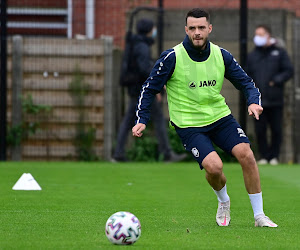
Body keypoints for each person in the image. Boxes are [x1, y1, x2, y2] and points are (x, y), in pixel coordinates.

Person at [132, 8, 278, 227]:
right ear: (186, 30)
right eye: (192, 28)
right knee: (214, 167)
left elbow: (246, 82)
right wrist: (142, 119)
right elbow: (149, 88)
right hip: (189, 125)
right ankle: (223, 201)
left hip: (220, 118)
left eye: (201, 27)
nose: (197, 32)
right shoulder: (172, 57)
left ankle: (259, 216)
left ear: (209, 28)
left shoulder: (222, 55)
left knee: (246, 154)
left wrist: (253, 101)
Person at [112, 18, 186, 163]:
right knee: (157, 118)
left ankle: (119, 153)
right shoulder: (142, 46)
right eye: (153, 29)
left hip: (137, 89)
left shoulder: (135, 43)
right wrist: (156, 88)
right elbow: (145, 69)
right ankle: (166, 153)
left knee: (129, 120)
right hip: (142, 90)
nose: (154, 32)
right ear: (148, 30)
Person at [246, 25, 293, 165]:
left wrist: (276, 81)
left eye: (260, 34)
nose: (257, 37)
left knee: (276, 129)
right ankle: (264, 156)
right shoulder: (252, 55)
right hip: (258, 101)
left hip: (275, 99)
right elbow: (246, 74)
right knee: (260, 130)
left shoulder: (279, 53)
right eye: (256, 34)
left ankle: (274, 156)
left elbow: (288, 70)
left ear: (268, 35)